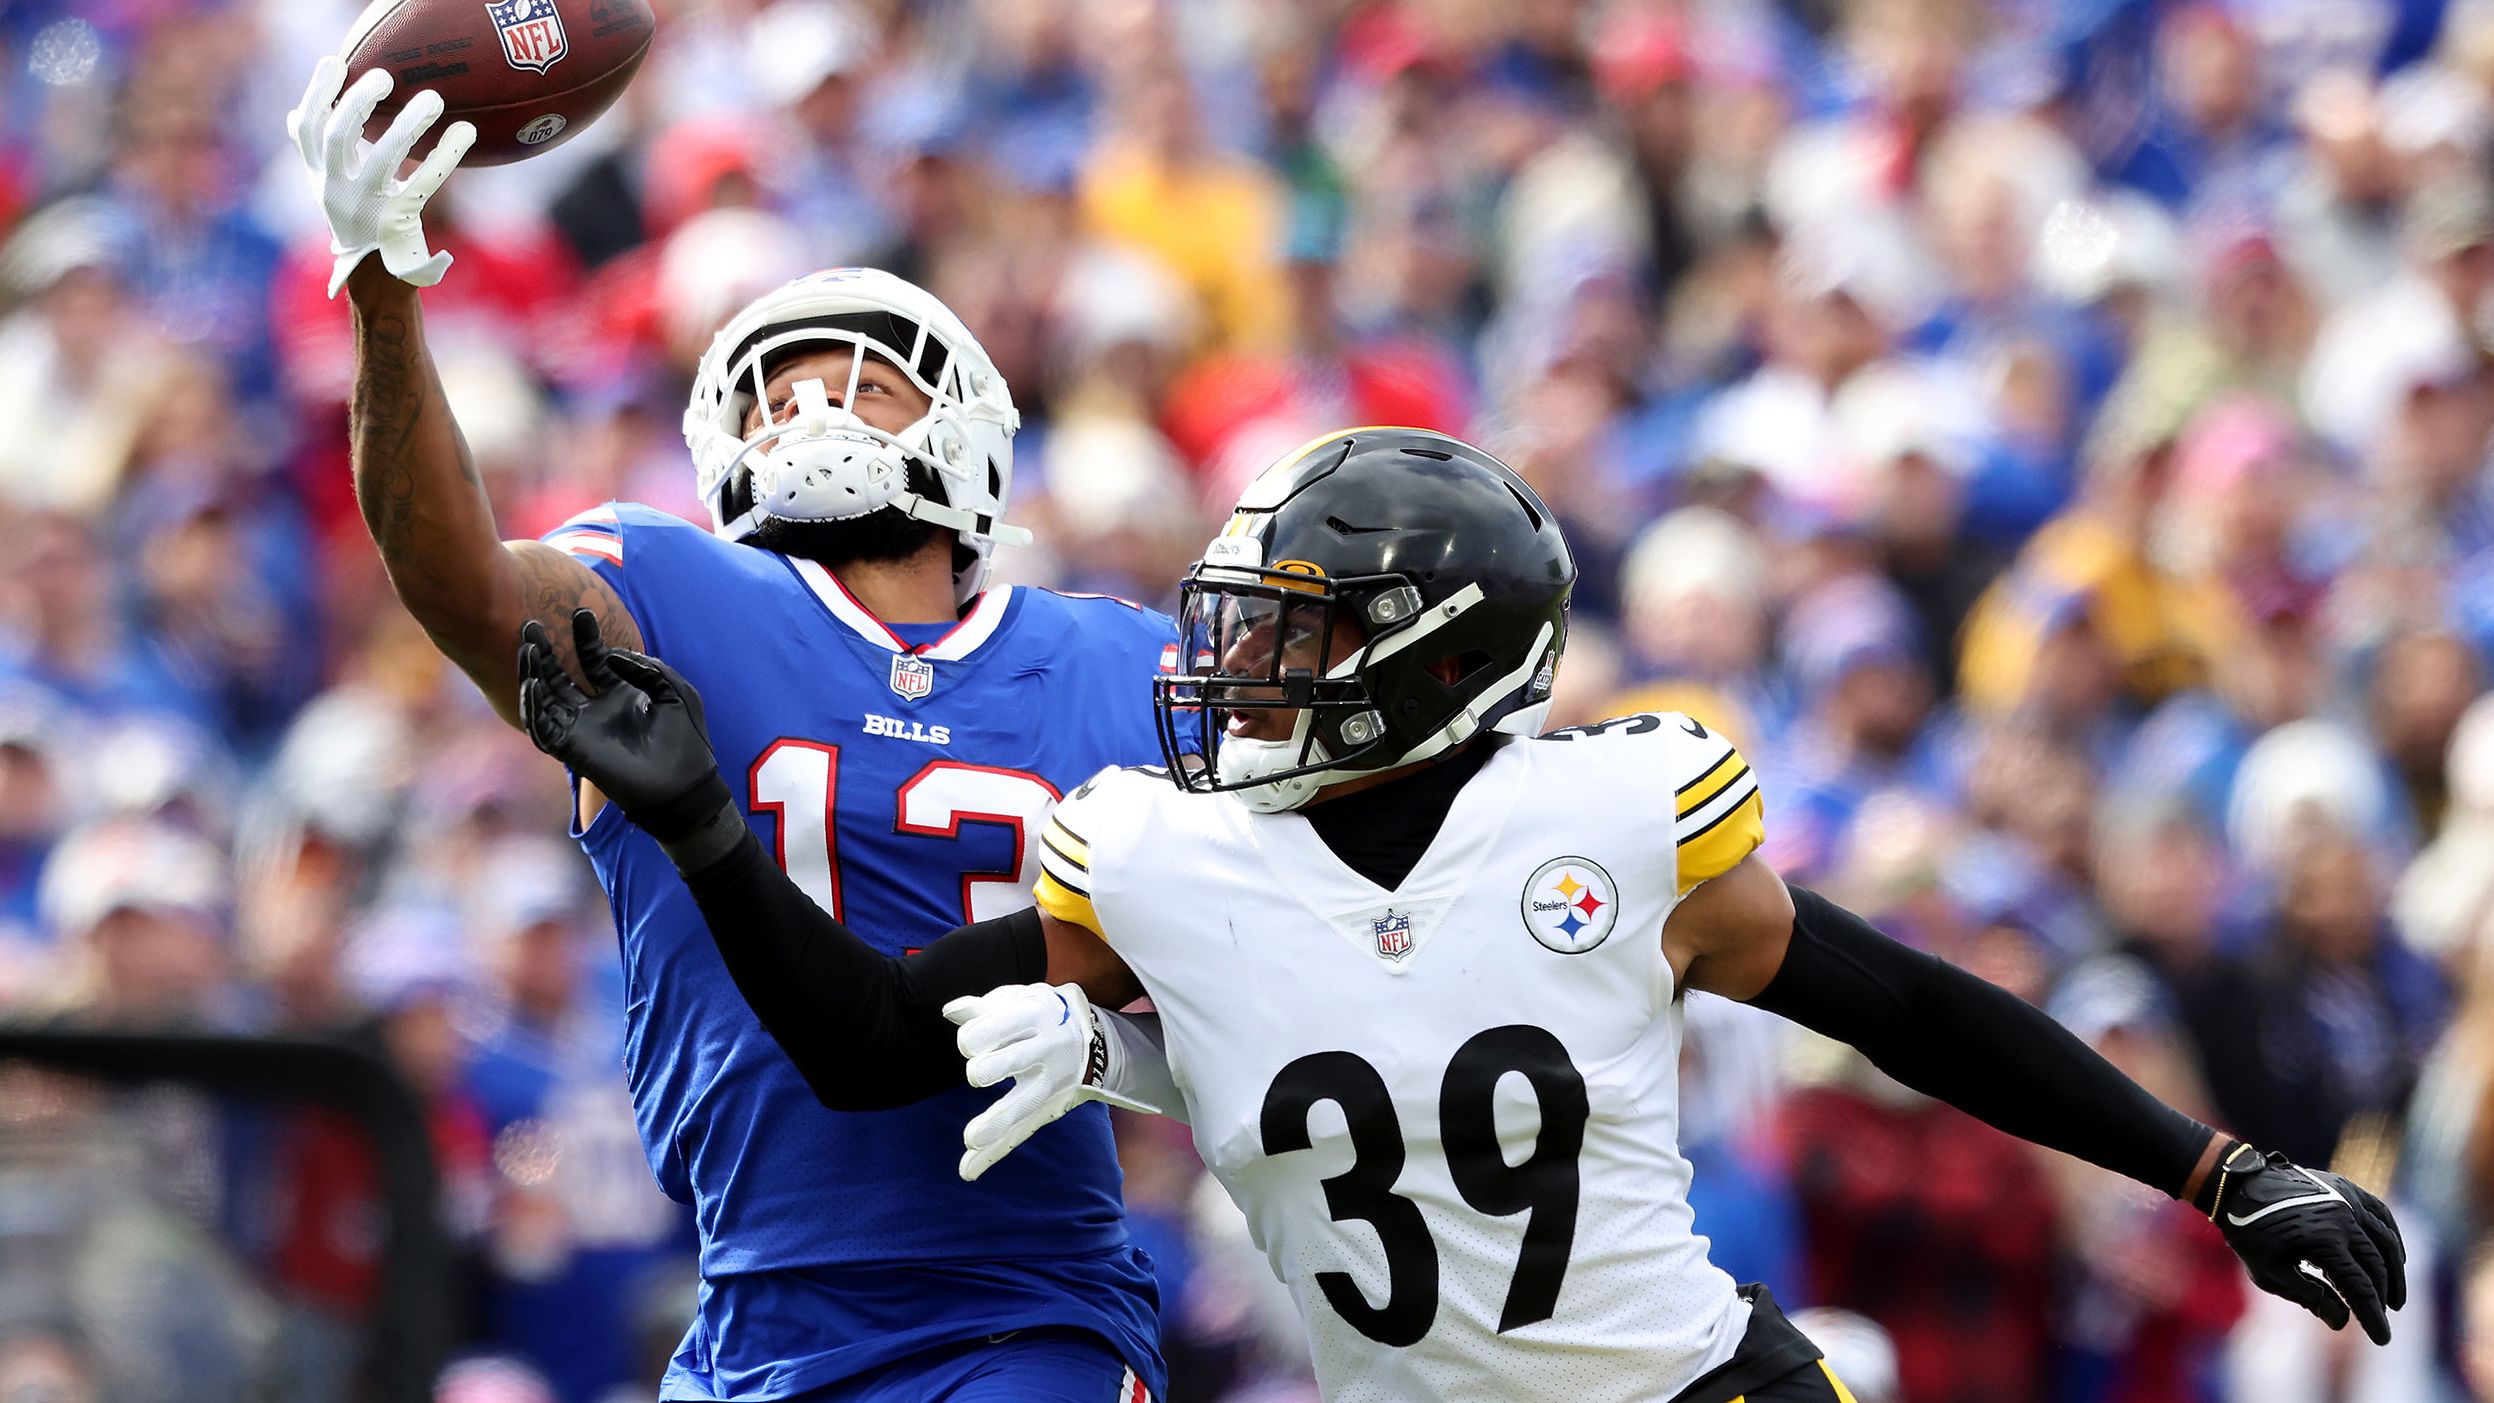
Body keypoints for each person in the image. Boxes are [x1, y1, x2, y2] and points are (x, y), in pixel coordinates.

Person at [521, 427, 2407, 1403]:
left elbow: (1904, 1008)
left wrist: (2216, 1170)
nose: (1232, 672)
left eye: (1288, 635)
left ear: (1430, 657)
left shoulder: (1611, 815)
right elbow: (862, 1054)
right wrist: (698, 828)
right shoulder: (1158, 858)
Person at [283, 61, 1169, 1402]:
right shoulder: (671, 592)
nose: (808, 411)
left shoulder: (1119, 658)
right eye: (771, 393)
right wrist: (384, 292)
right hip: (750, 1307)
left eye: (862, 385)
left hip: (1025, 1301)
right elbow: (452, 577)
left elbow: (1273, 954)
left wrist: (1126, 1054)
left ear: (971, 436)